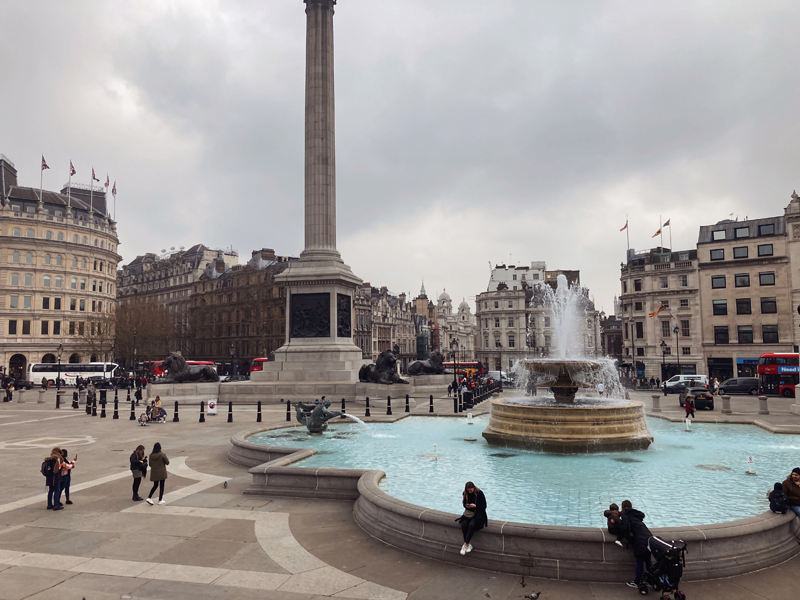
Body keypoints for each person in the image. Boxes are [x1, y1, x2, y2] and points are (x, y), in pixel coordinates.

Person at [620, 500, 652, 589]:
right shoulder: (636, 514)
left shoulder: (625, 515)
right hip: (649, 538)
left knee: (640, 562)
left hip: (640, 540)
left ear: (622, 507)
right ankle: (651, 580)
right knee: (648, 561)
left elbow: (625, 528)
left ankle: (637, 582)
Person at [456, 481, 487, 555]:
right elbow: (464, 504)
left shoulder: (479, 493)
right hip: (469, 513)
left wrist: (475, 506)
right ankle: (468, 544)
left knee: (472, 524)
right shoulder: (465, 493)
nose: (470, 492)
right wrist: (467, 506)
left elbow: (484, 506)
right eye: (468, 490)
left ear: (474, 488)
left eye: (471, 490)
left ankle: (465, 545)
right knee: (464, 524)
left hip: (479, 514)